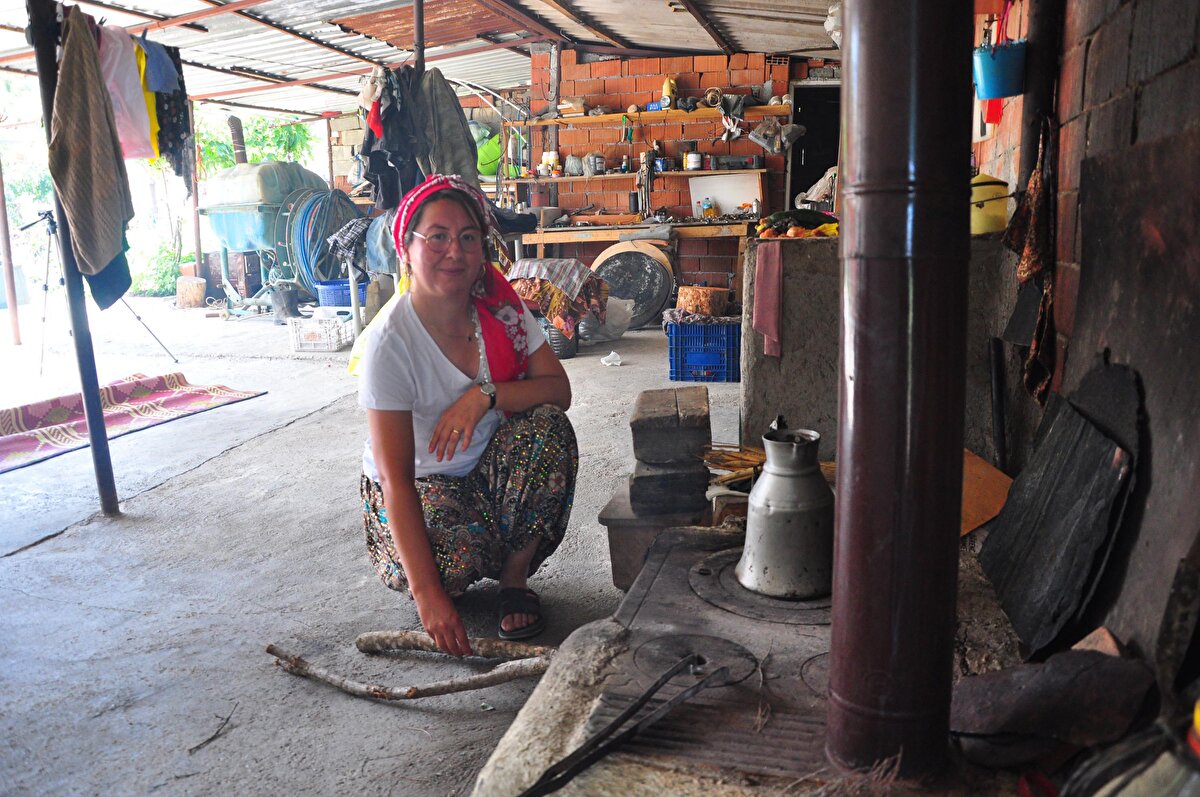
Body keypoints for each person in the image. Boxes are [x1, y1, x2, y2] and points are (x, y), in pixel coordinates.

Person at [358, 174, 577, 656]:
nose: (453, 251)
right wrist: (429, 597)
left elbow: (557, 391)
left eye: (468, 238)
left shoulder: (502, 311)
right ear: (407, 250)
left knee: (548, 429)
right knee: (451, 562)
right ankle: (443, 573)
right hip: (418, 484)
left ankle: (513, 581)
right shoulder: (389, 344)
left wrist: (484, 395)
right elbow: (395, 481)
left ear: (482, 251)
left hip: (484, 469)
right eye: (436, 236)